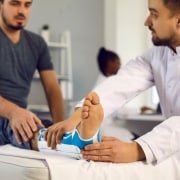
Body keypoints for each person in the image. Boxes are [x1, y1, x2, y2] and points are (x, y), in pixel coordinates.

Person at [44, 0, 180, 164]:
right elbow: (121, 83)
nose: (147, 22)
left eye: (154, 14)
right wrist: (75, 118)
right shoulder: (157, 54)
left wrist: (136, 149)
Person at [0, 0, 64, 149]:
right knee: (23, 129)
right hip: (7, 117)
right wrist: (13, 112)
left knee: (45, 127)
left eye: (27, 5)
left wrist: (60, 126)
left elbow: (52, 89)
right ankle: (64, 144)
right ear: (1, 4)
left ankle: (70, 140)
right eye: (15, 3)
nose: (22, 11)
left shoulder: (37, 43)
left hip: (22, 116)